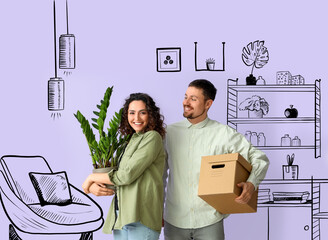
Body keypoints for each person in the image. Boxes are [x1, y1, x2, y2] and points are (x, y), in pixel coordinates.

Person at [163, 79, 269, 240]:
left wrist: (252, 183)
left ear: (208, 104)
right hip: (174, 221)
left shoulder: (223, 133)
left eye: (193, 99)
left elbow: (259, 158)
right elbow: (160, 175)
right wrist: (156, 210)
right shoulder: (169, 133)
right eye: (186, 97)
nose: (186, 102)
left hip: (210, 220)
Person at [82, 93, 166, 240]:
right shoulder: (131, 140)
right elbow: (121, 180)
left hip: (141, 218)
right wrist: (95, 187)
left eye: (143, 113)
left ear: (151, 115)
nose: (136, 118)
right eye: (132, 113)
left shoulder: (152, 138)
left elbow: (126, 176)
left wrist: (91, 178)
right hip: (121, 216)